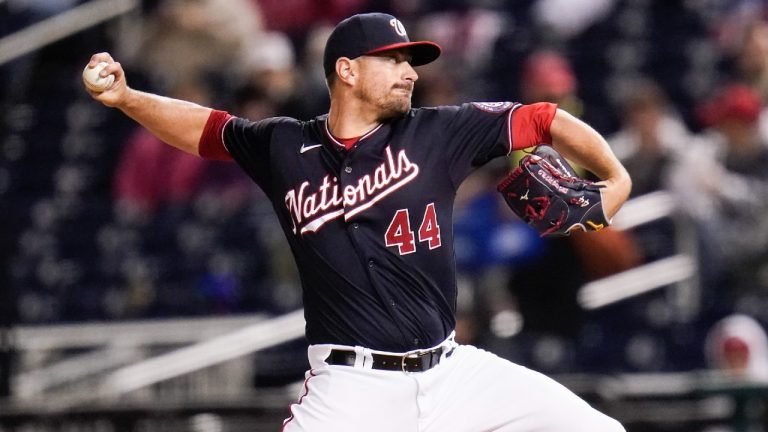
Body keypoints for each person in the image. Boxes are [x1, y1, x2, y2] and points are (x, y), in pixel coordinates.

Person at [84, 12, 630, 432]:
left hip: (453, 373)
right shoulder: (284, 146)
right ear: (346, 70)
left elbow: (544, 118)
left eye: (410, 62)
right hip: (350, 388)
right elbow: (206, 130)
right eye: (393, 60)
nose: (409, 73)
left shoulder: (438, 132)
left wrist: (615, 179)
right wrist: (127, 97)